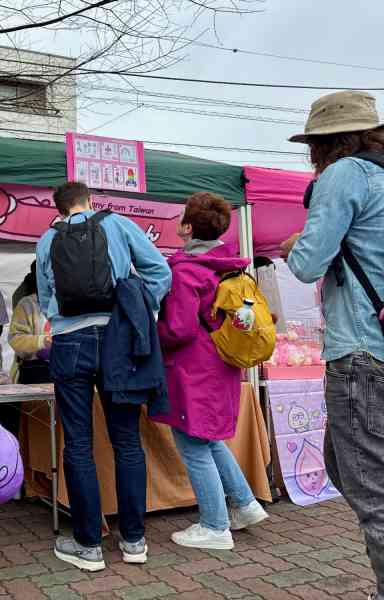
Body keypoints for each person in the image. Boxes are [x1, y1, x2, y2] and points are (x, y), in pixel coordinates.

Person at [281, 90, 384, 600]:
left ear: (325, 143)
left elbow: (305, 264)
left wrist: (294, 244)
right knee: (343, 465)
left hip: (360, 348)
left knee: (369, 490)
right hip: (376, 347)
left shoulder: (344, 175)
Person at [36, 182, 171, 571]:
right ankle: (134, 541)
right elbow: (158, 271)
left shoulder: (47, 240)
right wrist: (142, 307)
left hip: (69, 341)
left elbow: (47, 297)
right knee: (127, 441)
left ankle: (88, 545)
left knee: (77, 443)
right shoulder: (118, 224)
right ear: (90, 202)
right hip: (117, 338)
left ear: (59, 209)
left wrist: (62, 318)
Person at [151, 192, 269, 551]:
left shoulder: (186, 271)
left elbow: (179, 330)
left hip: (193, 369)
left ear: (188, 227)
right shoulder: (231, 265)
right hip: (222, 363)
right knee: (208, 438)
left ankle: (215, 526)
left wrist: (149, 333)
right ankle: (245, 504)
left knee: (193, 444)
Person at [8, 261, 52, 385]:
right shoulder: (27, 304)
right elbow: (15, 339)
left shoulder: (68, 301)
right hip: (36, 371)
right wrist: (43, 342)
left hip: (64, 371)